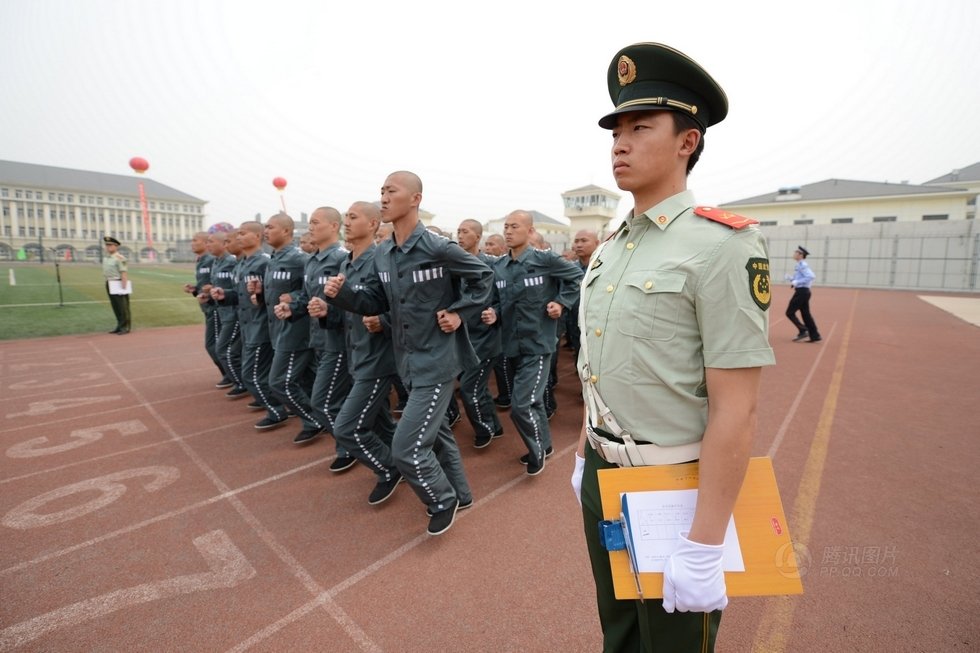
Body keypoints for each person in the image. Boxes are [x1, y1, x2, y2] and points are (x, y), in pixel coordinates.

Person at [572, 43, 775, 652]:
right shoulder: (612, 244)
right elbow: (597, 364)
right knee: (621, 633)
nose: (620, 144)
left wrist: (706, 541)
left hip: (677, 488)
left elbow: (736, 407)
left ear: (687, 142)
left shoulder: (722, 245)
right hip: (604, 474)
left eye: (641, 127)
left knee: (674, 645)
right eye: (616, 131)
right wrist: (588, 453)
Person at [324, 171, 492, 536]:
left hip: (437, 361)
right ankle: (461, 495)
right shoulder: (383, 254)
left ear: (415, 199)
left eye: (391, 191)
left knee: (408, 447)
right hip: (406, 361)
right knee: (438, 434)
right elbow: (375, 301)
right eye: (381, 191)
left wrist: (459, 312)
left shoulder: (437, 247)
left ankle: (441, 499)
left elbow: (482, 276)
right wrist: (343, 295)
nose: (383, 198)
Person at [311, 201, 401, 504]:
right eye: (345, 217)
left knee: (348, 428)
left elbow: (402, 305)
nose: (346, 222)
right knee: (381, 423)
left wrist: (383, 321)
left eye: (353, 217)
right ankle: (414, 458)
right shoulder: (346, 264)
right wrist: (325, 310)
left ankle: (388, 469)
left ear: (374, 223)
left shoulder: (382, 260)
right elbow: (345, 315)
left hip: (378, 357)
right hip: (354, 353)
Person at [491, 210, 582, 474]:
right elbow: (497, 301)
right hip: (511, 344)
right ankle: (546, 445)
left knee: (521, 405)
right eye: (506, 226)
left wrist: (561, 303)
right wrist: (493, 312)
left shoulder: (546, 260)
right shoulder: (500, 267)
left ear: (530, 231)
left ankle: (537, 451)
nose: (508, 231)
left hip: (539, 344)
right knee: (533, 401)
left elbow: (575, 278)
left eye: (515, 226)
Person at [254, 213, 320, 440]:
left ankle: (313, 419)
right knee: (307, 380)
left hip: (295, 330)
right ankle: (322, 417)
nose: (265, 231)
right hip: (278, 330)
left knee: (279, 382)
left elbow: (310, 291)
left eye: (270, 227)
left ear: (286, 231)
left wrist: (293, 298)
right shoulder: (273, 259)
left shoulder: (299, 259)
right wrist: (260, 293)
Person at [456, 218, 504, 448]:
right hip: (463, 338)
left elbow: (504, 299)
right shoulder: (455, 264)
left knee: (469, 388)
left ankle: (484, 429)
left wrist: (495, 312)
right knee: (478, 387)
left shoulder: (492, 266)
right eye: (458, 231)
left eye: (465, 232)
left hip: (486, 339)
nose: (460, 235)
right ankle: (495, 425)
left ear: (478, 237)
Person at [206, 229, 247, 399]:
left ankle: (241, 382)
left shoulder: (233, 262)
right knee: (223, 348)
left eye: (211, 242)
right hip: (223, 310)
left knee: (224, 349)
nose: (208, 245)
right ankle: (237, 380)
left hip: (235, 313)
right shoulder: (218, 262)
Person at [184, 232, 226, 385]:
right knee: (215, 344)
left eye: (196, 240)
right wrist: (195, 289)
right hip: (208, 307)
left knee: (213, 345)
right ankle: (230, 375)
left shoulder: (210, 260)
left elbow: (215, 284)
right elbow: (206, 285)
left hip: (214, 307)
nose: (192, 243)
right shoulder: (202, 260)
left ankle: (231, 375)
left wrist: (208, 292)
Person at [785, 245, 821, 342]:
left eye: (796, 252)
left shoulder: (802, 265)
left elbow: (811, 276)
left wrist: (797, 282)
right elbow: (800, 278)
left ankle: (803, 330)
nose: (794, 254)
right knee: (806, 314)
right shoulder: (799, 265)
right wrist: (791, 279)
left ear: (801, 255)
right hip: (803, 292)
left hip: (802, 292)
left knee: (789, 312)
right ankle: (815, 335)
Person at [102, 236, 131, 335]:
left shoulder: (120, 258)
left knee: (122, 306)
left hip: (118, 283)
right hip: (109, 283)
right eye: (107, 245)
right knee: (115, 306)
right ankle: (119, 325)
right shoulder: (106, 258)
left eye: (110, 245)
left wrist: (124, 286)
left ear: (116, 246)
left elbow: (123, 272)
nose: (108, 247)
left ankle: (125, 327)